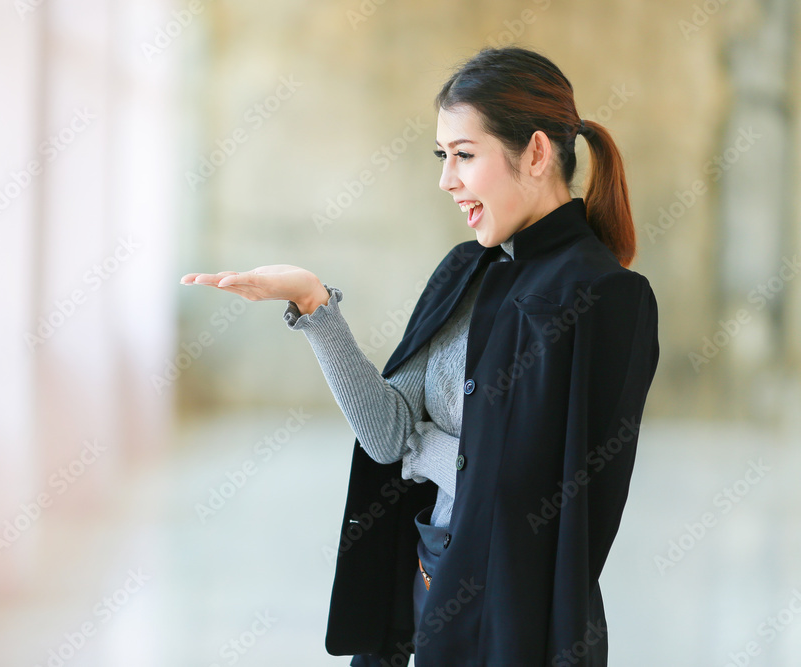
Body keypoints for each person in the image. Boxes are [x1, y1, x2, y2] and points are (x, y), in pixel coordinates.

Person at [180, 45, 660, 667]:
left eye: (465, 155)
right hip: (423, 591)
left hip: (517, 629)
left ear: (537, 153)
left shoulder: (605, 298)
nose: (446, 180)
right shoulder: (462, 271)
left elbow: (543, 501)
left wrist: (427, 446)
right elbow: (388, 436)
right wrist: (314, 305)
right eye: (442, 156)